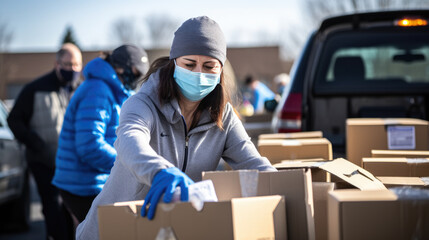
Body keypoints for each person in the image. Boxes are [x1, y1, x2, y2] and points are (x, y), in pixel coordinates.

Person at [76, 16, 276, 239]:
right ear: (174, 63)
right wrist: (160, 171)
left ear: (220, 70)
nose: (199, 74)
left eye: (209, 66)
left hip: (164, 231)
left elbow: (255, 164)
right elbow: (130, 141)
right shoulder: (143, 103)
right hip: (112, 229)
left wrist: (290, 190)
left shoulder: (223, 117)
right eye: (189, 64)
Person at [51, 44, 149, 225]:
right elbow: (89, 145)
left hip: (91, 180)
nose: (135, 78)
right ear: (120, 67)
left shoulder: (112, 89)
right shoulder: (98, 90)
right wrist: (127, 162)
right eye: (133, 72)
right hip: (83, 185)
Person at [7, 43, 82, 240]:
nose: (72, 69)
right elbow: (14, 120)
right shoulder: (35, 89)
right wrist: (36, 144)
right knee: (53, 207)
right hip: (44, 161)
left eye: (76, 65)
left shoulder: (81, 90)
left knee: (71, 209)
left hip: (71, 163)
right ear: (57, 64)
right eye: (67, 64)